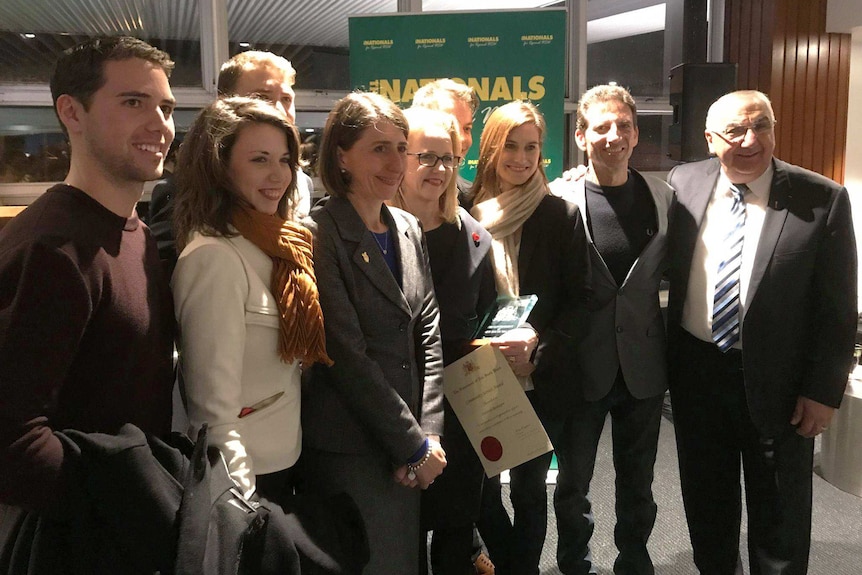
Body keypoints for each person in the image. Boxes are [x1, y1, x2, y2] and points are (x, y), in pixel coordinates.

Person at [0, 36, 176, 571]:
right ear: (71, 112)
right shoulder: (49, 248)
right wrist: (131, 499)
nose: (160, 124)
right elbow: (12, 442)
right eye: (133, 102)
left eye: (165, 107)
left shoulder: (135, 232)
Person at [665, 89, 857, 575]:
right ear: (710, 139)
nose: (751, 140)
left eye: (762, 126)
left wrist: (823, 391)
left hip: (782, 383)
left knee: (780, 514)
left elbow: (837, 309)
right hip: (698, 374)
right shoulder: (683, 183)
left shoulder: (822, 198)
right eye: (735, 130)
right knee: (707, 503)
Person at [301, 92, 447, 575]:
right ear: (342, 154)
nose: (395, 162)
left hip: (410, 444)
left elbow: (427, 329)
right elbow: (346, 353)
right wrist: (411, 443)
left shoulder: (406, 225)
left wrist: (428, 433)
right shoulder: (317, 232)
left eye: (401, 148)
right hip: (354, 444)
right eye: (378, 148)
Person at [170, 96, 331, 503]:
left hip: (293, 455)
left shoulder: (283, 243)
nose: (278, 175)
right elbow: (212, 410)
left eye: (285, 160)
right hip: (249, 476)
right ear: (219, 167)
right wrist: (240, 503)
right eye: (260, 159)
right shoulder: (214, 256)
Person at [550, 85, 673, 575]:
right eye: (601, 126)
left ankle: (635, 559)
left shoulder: (664, 197)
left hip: (644, 364)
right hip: (581, 364)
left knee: (638, 479)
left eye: (623, 125)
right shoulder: (559, 197)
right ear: (581, 135)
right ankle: (573, 560)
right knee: (573, 482)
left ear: (636, 133)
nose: (613, 135)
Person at [470, 101, 591, 575]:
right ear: (492, 147)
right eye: (511, 146)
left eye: (532, 148)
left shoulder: (559, 213)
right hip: (478, 373)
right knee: (479, 490)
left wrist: (537, 346)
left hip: (541, 378)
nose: (521, 158)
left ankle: (524, 570)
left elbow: (582, 299)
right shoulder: (464, 212)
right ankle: (509, 562)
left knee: (527, 488)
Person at [390, 106, 496, 575]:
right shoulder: (374, 233)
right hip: (393, 410)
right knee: (400, 537)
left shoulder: (474, 237)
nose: (438, 169)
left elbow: (487, 318)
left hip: (460, 411)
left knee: (456, 532)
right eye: (426, 157)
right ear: (401, 158)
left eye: (448, 159)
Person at [148, 50, 314, 270]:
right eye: (261, 97)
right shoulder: (181, 191)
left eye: (286, 99)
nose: (277, 109)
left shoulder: (302, 183)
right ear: (225, 104)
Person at [412, 78, 479, 207]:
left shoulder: (472, 200)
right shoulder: (385, 194)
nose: (462, 139)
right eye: (450, 127)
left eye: (467, 128)